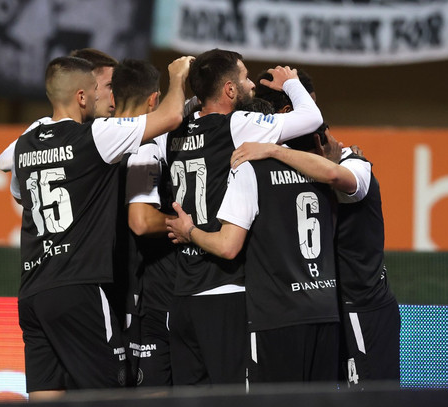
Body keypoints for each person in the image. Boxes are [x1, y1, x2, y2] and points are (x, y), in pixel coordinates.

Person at [11, 54, 192, 400]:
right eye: (96, 90)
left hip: (32, 291)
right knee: (109, 395)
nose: (103, 97)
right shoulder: (95, 136)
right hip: (79, 287)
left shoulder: (24, 144)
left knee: (46, 395)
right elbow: (170, 116)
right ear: (81, 96)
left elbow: (22, 196)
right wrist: (179, 75)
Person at [161, 48, 324, 386]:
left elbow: (178, 110)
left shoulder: (172, 131)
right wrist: (291, 82)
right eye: (246, 77)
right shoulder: (236, 125)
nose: (251, 84)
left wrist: (181, 81)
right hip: (224, 291)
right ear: (230, 90)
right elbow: (311, 118)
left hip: (182, 295)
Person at [231, 93, 401, 389]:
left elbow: (335, 176)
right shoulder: (302, 174)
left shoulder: (354, 164)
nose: (336, 141)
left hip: (363, 306)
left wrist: (272, 150)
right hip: (331, 309)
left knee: (371, 397)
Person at [166, 123, 340, 384]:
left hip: (276, 315)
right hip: (325, 309)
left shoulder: (252, 169)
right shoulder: (330, 173)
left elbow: (228, 246)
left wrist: (189, 231)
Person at [110, 59, 179, 387]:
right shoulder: (143, 150)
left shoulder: (92, 141)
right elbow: (141, 220)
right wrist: (190, 226)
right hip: (135, 292)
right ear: (153, 100)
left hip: (97, 288)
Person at [0, 48, 118, 173]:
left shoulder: (110, 130)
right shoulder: (43, 127)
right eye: (109, 86)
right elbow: (4, 161)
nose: (115, 94)